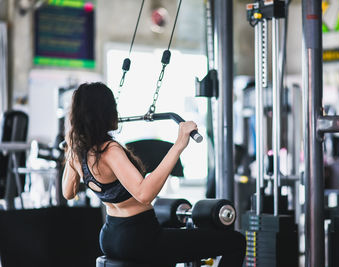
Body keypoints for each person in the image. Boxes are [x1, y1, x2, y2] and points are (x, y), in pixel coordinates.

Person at [62, 82, 246, 266]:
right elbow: (144, 194)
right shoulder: (110, 151)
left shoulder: (77, 153)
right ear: (104, 112)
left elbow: (68, 193)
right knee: (235, 242)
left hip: (110, 237)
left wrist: (71, 146)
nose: (116, 112)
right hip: (138, 237)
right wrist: (179, 144)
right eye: (113, 107)